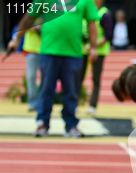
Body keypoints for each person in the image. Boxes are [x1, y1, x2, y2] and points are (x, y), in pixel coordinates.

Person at [8, 0, 99, 138]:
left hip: (73, 53)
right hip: (49, 52)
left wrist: (93, 47)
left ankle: (71, 125)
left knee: (72, 91)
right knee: (46, 89)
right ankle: (42, 123)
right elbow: (29, 17)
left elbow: (92, 23)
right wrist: (16, 38)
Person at [80, 0, 112, 115]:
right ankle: (75, 104)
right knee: (78, 77)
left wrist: (94, 46)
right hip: (83, 51)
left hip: (99, 52)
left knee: (96, 78)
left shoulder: (104, 14)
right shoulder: (84, 12)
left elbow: (107, 35)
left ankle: (92, 105)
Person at [22, 25, 41, 112]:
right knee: (30, 77)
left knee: (47, 78)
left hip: (45, 50)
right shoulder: (29, 17)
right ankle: (33, 103)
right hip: (31, 51)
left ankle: (43, 102)